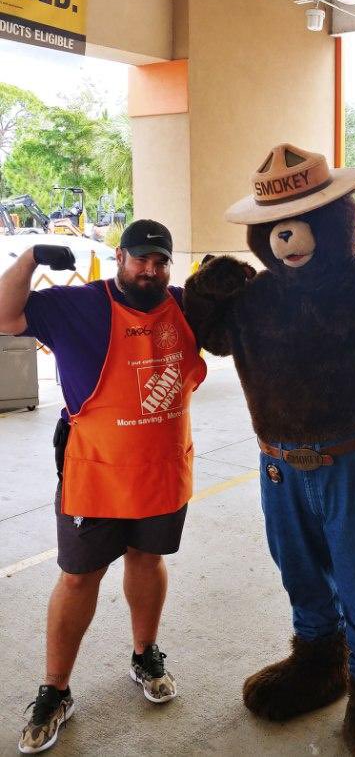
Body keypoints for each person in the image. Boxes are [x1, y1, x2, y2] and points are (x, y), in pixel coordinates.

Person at [0, 220, 206, 754]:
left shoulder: (186, 306)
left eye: (160, 262)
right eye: (141, 259)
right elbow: (4, 315)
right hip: (96, 473)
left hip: (162, 471)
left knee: (147, 559)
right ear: (120, 257)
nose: (151, 270)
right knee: (77, 578)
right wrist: (29, 260)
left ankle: (145, 655)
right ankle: (56, 690)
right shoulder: (79, 306)